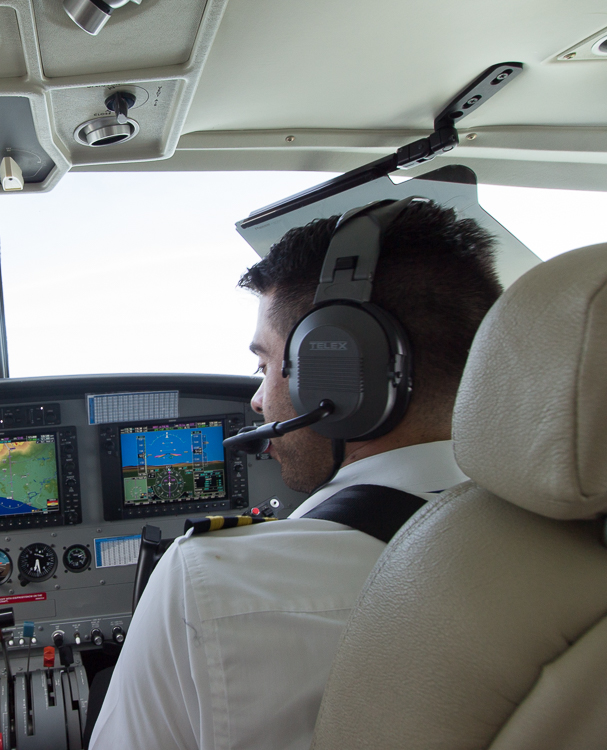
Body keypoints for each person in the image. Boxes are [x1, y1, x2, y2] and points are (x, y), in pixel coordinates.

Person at [89, 200, 504, 750]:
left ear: (337, 372)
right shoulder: (598, 548)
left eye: (265, 366)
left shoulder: (208, 583)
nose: (258, 402)